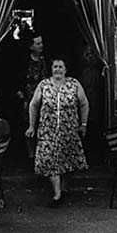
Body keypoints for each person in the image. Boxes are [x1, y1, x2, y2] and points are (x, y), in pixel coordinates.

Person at [25, 57, 89, 206]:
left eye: (61, 67)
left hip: (69, 130)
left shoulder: (74, 84)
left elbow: (84, 104)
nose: (58, 69)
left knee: (69, 160)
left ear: (66, 70)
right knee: (50, 160)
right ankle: (57, 194)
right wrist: (31, 126)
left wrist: (84, 124)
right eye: (55, 67)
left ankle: (64, 186)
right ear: (51, 69)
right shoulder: (44, 85)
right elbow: (33, 105)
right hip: (48, 131)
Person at [18, 32, 48, 160]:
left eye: (41, 43)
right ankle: (30, 153)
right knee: (28, 122)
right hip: (28, 95)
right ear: (31, 46)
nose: (41, 45)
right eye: (38, 43)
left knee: (42, 122)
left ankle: (41, 151)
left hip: (41, 94)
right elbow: (18, 78)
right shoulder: (25, 60)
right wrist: (21, 94)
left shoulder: (43, 60)